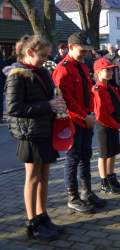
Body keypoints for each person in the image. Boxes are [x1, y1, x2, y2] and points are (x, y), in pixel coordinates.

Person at [4, 35, 66, 241]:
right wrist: (48, 106)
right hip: (29, 133)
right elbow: (13, 108)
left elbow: (48, 97)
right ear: (29, 52)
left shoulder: (41, 71)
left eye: (47, 56)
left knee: (45, 176)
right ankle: (32, 223)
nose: (45, 59)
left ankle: (42, 216)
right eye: (42, 56)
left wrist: (56, 102)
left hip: (45, 129)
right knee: (32, 178)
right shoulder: (17, 75)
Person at [53, 32, 106, 213]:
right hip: (74, 121)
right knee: (73, 158)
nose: (85, 54)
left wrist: (91, 112)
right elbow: (66, 100)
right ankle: (73, 196)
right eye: (82, 50)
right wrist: (85, 116)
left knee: (85, 155)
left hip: (86, 119)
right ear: (71, 47)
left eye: (87, 51)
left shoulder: (82, 67)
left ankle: (86, 192)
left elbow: (88, 92)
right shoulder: (63, 69)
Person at [92, 58, 120, 194]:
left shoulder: (112, 88)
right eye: (107, 70)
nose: (110, 72)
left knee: (113, 153)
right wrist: (116, 125)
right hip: (105, 126)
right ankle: (104, 182)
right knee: (104, 154)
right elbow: (101, 114)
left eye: (111, 69)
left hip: (115, 124)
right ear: (98, 72)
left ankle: (112, 178)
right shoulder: (97, 89)